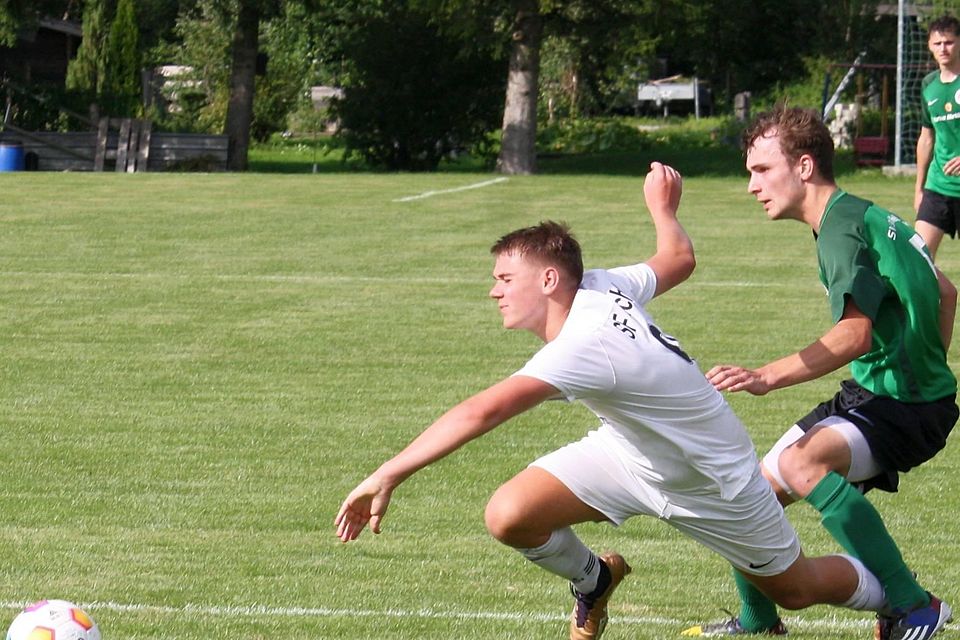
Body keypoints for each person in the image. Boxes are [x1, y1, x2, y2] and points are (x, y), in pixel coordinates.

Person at [336, 163, 892, 640]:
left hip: (711, 479)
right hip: (630, 455)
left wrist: (389, 473)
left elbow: (481, 411)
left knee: (796, 590)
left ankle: (896, 600)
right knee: (509, 515)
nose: (494, 290)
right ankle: (593, 579)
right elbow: (677, 258)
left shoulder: (582, 343)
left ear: (550, 279)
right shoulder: (600, 285)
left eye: (506, 278)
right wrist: (662, 206)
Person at [692, 106, 957, 640]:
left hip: (903, 407)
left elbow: (854, 335)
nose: (752, 186)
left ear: (805, 166)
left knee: (800, 462)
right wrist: (922, 359)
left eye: (762, 171)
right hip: (884, 395)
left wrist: (767, 375)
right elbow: (946, 292)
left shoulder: (839, 230)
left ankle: (912, 605)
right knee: (750, 500)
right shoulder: (860, 214)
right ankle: (758, 621)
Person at [915, 14, 960, 260]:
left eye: (949, 42)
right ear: (930, 46)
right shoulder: (928, 85)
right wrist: (918, 188)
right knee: (917, 256)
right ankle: (934, 300)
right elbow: (926, 138)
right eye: (937, 43)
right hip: (937, 186)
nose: (943, 48)